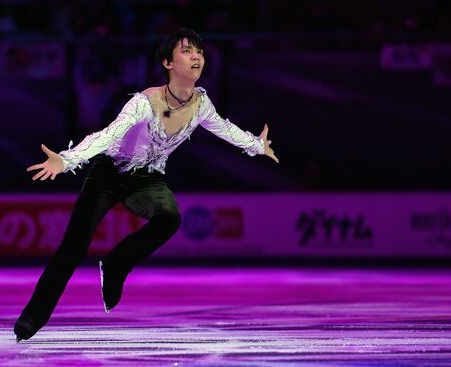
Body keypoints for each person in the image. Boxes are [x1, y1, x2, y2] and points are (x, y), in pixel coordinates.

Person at [14, 28, 278, 342]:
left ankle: (117, 264)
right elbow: (108, 135)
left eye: (199, 52)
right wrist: (67, 159)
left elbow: (224, 128)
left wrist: (256, 146)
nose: (196, 56)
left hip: (147, 178)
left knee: (169, 217)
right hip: (107, 174)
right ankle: (33, 317)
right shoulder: (143, 103)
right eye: (186, 51)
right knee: (73, 247)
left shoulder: (201, 104)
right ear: (168, 62)